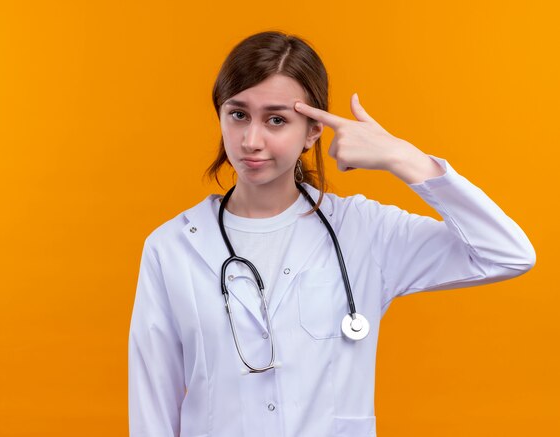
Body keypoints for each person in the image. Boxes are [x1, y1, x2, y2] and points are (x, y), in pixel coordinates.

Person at [128, 31, 535, 437]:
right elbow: (153, 406)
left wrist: (401, 157)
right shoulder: (172, 248)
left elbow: (506, 253)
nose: (251, 140)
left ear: (312, 131)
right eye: (238, 114)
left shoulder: (365, 231)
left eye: (276, 120)